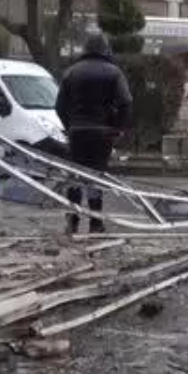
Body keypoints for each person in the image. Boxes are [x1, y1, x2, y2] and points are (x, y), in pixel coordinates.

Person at [55, 33, 133, 234]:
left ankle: (72, 220)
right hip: (102, 132)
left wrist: (70, 124)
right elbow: (126, 102)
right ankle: (95, 222)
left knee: (75, 175)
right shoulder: (114, 72)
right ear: (105, 49)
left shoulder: (71, 72)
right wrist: (117, 127)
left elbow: (59, 106)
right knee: (96, 176)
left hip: (77, 132)